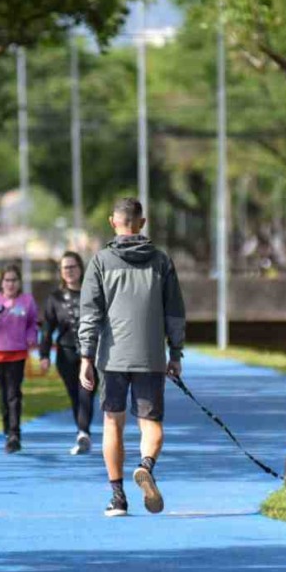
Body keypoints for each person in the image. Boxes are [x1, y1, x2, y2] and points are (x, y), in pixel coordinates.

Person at [78, 197, 185, 517]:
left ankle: (117, 497)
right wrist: (175, 353)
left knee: (113, 423)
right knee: (151, 424)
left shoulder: (100, 262)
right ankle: (146, 466)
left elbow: (90, 313)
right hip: (151, 357)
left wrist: (85, 355)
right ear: (143, 222)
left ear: (113, 222)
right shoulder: (162, 262)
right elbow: (175, 313)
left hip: (111, 359)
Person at [39, 251, 97, 455]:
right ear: (61, 272)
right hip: (66, 355)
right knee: (75, 396)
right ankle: (82, 432)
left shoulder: (93, 293)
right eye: (65, 268)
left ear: (81, 268)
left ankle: (83, 432)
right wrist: (44, 355)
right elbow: (47, 328)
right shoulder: (55, 299)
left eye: (73, 267)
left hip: (91, 355)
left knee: (86, 393)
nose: (69, 271)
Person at [0, 264, 38, 454]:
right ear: (1, 282)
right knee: (3, 395)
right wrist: (0, 313)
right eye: (7, 280)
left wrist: (31, 338)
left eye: (14, 280)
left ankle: (14, 434)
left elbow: (32, 323)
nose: (10, 284)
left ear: (19, 282)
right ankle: (7, 430)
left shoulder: (27, 301)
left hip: (18, 352)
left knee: (14, 394)